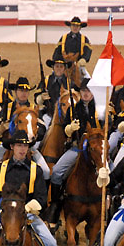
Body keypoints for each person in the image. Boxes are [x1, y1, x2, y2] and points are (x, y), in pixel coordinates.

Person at [45, 78, 106, 233]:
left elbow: (107, 127)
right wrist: (69, 129)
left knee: (109, 171)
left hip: (97, 149)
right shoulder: (73, 109)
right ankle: (56, 205)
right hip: (77, 149)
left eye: (89, 91)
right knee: (57, 172)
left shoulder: (100, 109)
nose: (86, 94)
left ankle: (108, 206)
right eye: (84, 91)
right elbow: (65, 128)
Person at [0, 77, 50, 182]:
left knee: (46, 171)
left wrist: (36, 133)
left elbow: (42, 128)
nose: (23, 93)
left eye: (26, 91)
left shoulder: (33, 109)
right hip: (7, 146)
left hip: (28, 147)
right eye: (21, 90)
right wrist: (1, 128)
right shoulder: (7, 107)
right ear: (15, 92)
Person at [35, 56, 72, 128]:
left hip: (65, 117)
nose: (59, 68)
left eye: (61, 67)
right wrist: (41, 98)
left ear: (64, 68)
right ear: (53, 67)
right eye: (57, 66)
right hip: (48, 115)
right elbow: (36, 97)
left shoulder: (69, 82)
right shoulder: (46, 80)